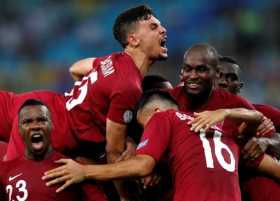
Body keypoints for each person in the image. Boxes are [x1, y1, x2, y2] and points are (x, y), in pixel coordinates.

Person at [4, 4, 167, 200]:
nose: (163, 29)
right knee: (17, 185)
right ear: (133, 39)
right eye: (153, 27)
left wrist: (89, 105)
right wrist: (125, 196)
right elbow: (113, 152)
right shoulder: (128, 86)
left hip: (42, 103)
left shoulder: (113, 60)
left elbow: (75, 68)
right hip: (49, 128)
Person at [42, 90, 267, 201]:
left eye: (145, 125)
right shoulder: (221, 128)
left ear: (158, 112)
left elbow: (142, 166)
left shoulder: (164, 118)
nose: (148, 132)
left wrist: (84, 172)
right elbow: (256, 118)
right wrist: (225, 112)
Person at [217, 56, 280, 201]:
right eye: (218, 75)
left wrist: (268, 142)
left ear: (239, 86)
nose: (223, 82)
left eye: (231, 78)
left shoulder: (260, 113)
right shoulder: (190, 116)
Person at [0, 99, 81, 201]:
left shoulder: (72, 168)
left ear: (51, 125)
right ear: (19, 130)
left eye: (42, 120)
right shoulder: (5, 171)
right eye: (27, 122)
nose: (35, 126)